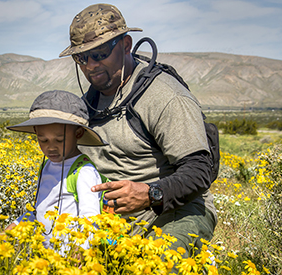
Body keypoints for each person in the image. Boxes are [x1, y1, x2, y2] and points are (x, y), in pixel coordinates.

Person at [59, 3, 217, 256]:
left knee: (160, 263)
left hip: (173, 211)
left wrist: (151, 194)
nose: (89, 66)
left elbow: (200, 171)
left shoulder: (165, 96)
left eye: (99, 54)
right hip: (112, 222)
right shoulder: (89, 101)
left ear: (126, 45)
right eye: (81, 58)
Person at [4, 90, 107, 250]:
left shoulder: (83, 171)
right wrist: (14, 226)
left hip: (70, 260)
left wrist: (82, 251)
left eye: (59, 140)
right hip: (45, 256)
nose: (50, 147)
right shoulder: (47, 165)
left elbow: (91, 219)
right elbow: (39, 209)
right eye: (43, 140)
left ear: (78, 133)